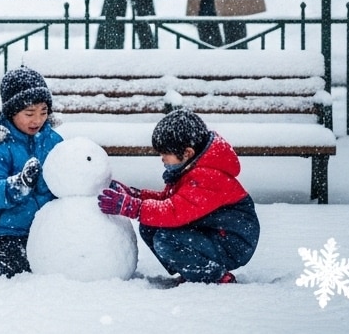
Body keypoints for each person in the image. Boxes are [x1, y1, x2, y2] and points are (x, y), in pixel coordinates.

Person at [97, 109, 260, 285]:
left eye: (165, 154)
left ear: (187, 153)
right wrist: (135, 195)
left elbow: (174, 211)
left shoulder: (207, 177)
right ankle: (191, 268)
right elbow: (171, 201)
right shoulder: (192, 168)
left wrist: (133, 207)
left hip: (232, 243)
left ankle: (216, 277)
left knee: (165, 239)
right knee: (149, 225)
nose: (162, 159)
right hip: (210, 231)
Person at [0, 67, 63, 277]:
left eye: (43, 112)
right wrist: (19, 185)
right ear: (11, 112)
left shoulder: (53, 141)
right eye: (29, 114)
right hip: (0, 229)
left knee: (54, 263)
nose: (37, 120)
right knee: (10, 269)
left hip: (40, 228)